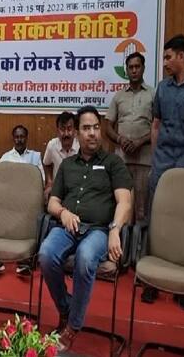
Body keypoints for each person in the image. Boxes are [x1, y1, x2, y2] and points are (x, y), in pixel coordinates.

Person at [38, 105, 132, 352]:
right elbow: (52, 202)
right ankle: (67, 308)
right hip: (68, 226)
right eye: (86, 128)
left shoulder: (113, 163)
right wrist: (63, 212)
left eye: (96, 127)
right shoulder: (68, 165)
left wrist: (115, 230)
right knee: (46, 254)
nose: (92, 133)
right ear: (77, 134)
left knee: (85, 256)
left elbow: (125, 202)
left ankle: (73, 326)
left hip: (99, 231)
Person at [143, 34, 184, 310]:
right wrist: (154, 160)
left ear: (182, 56)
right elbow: (156, 125)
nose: (165, 63)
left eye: (168, 57)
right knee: (154, 219)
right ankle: (150, 281)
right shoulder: (163, 88)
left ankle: (182, 285)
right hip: (162, 163)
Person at [105, 52, 154, 224]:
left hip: (144, 161)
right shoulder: (119, 96)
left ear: (143, 68)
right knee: (122, 207)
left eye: (137, 66)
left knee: (141, 210)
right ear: (126, 70)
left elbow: (159, 127)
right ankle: (121, 239)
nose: (134, 70)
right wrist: (120, 139)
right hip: (122, 161)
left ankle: (139, 242)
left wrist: (141, 141)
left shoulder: (153, 95)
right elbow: (108, 126)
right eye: (130, 67)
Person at [0, 125, 45, 275]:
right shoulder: (6, 157)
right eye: (17, 137)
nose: (19, 140)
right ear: (13, 138)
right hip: (9, 200)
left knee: (32, 217)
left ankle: (25, 261)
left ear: (26, 138)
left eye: (22, 137)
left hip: (29, 201)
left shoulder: (35, 156)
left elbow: (41, 179)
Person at [43, 111, 79, 202]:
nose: (66, 134)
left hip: (77, 189)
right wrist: (50, 182)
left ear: (75, 131)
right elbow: (47, 164)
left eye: (69, 129)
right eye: (62, 129)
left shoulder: (81, 146)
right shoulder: (52, 145)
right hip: (58, 190)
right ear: (57, 131)